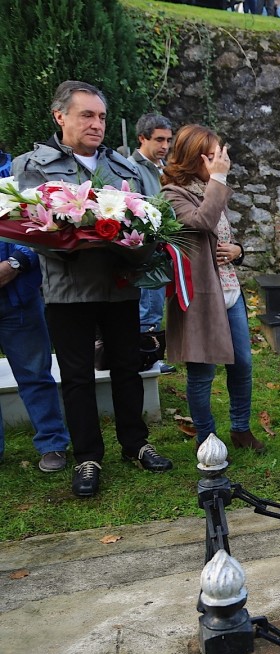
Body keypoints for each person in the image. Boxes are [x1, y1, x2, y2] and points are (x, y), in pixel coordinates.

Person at [13, 80, 173, 498]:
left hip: (119, 285)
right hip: (68, 289)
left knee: (128, 368)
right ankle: (87, 456)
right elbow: (27, 226)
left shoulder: (125, 168)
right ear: (59, 117)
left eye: (101, 116)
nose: (96, 124)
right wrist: (68, 243)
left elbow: (151, 221)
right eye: (86, 115)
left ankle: (135, 443)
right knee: (77, 376)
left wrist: (139, 246)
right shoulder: (32, 166)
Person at [161, 125, 264, 454]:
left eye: (220, 154)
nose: (221, 161)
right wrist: (218, 178)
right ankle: (206, 437)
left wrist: (238, 251)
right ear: (193, 157)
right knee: (202, 370)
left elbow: (222, 237)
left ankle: (240, 428)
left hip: (230, 291)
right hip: (201, 297)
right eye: (212, 155)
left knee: (242, 364)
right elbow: (202, 221)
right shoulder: (173, 194)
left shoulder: (211, 187)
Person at [0, 240, 71, 474]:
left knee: (35, 374)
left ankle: (52, 444)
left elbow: (39, 232)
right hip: (18, 292)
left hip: (18, 295)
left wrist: (15, 263)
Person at [131, 113, 177, 373]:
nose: (165, 146)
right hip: (146, 250)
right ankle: (147, 360)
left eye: (168, 140)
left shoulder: (164, 168)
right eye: (159, 140)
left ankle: (151, 356)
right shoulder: (132, 168)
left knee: (156, 305)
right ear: (142, 138)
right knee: (148, 306)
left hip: (166, 248)